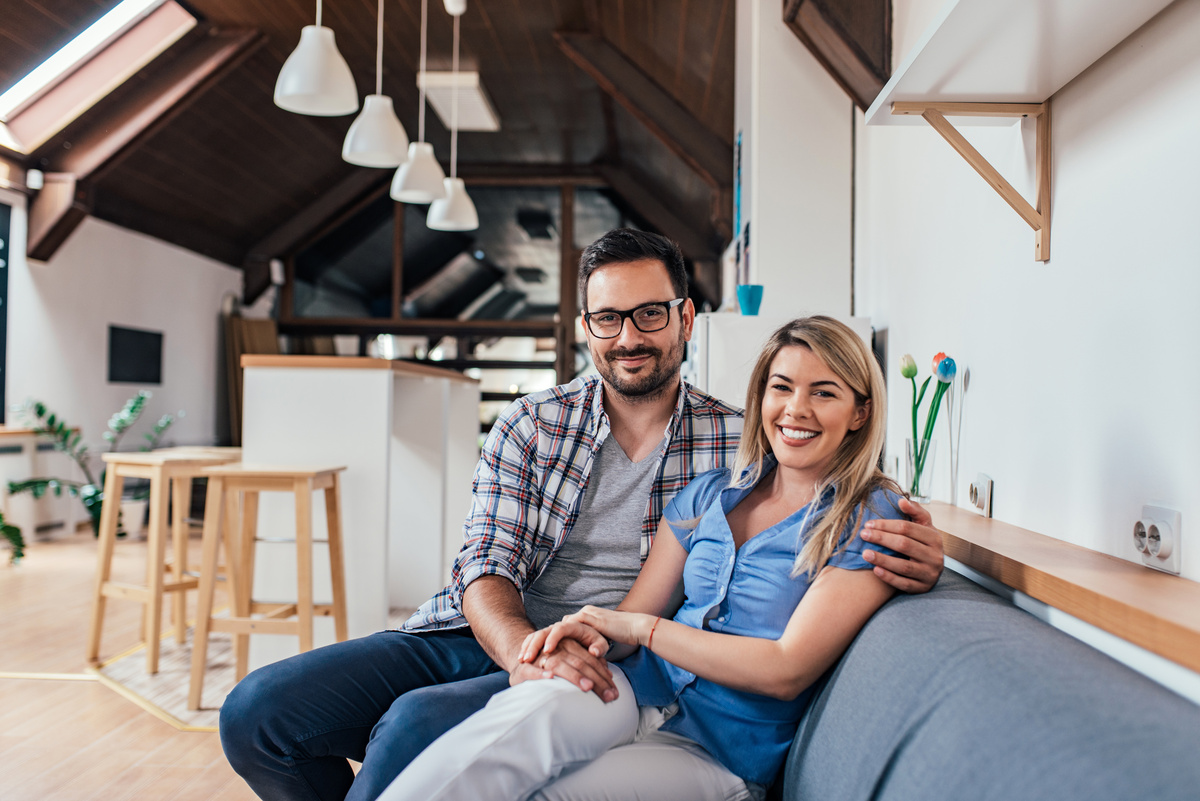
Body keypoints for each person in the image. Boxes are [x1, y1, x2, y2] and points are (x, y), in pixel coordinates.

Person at [220, 229, 944, 801]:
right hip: (488, 632)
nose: (628, 335)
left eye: (650, 313)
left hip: (613, 659)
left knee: (410, 728)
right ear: (586, 327)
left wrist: (924, 545)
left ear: (685, 318)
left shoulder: (741, 441)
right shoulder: (532, 423)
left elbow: (836, 477)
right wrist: (523, 651)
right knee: (257, 713)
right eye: (608, 317)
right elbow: (486, 562)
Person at [377, 315, 906, 801]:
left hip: (719, 750)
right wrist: (577, 638)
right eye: (782, 387)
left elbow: (784, 670)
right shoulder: (710, 494)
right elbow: (633, 612)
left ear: (861, 411)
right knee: (509, 732)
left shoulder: (868, 520)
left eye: (824, 393)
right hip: (635, 688)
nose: (796, 409)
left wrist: (642, 629)